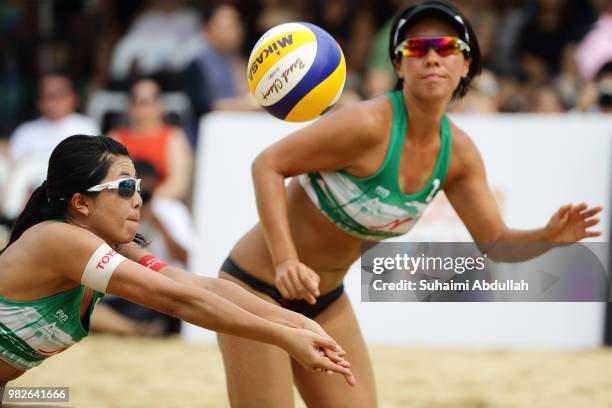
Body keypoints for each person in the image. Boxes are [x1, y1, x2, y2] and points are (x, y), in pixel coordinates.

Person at [216, 1, 603, 407]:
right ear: (399, 66)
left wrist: (548, 236)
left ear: (466, 64)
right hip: (256, 289)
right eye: (417, 48)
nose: (432, 57)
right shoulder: (368, 124)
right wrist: (285, 260)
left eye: (445, 47)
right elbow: (267, 165)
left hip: (323, 300)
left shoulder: (459, 156)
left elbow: (496, 243)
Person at [0, 135, 355, 389]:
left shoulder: (107, 246)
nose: (138, 200)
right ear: (80, 203)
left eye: (138, 187)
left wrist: (295, 322)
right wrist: (283, 338)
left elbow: (193, 285)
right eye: (125, 188)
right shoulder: (58, 240)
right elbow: (175, 302)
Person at [109, 79, 193, 201]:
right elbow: (109, 179)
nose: (145, 109)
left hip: (162, 203)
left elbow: (178, 183)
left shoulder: (173, 137)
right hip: (122, 201)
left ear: (160, 104)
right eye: (140, 102)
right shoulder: (115, 137)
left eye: (148, 102)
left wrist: (147, 200)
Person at [8, 72, 99, 164]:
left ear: (73, 97)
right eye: (49, 95)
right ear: (39, 101)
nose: (55, 101)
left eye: (60, 94)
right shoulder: (25, 131)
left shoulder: (87, 127)